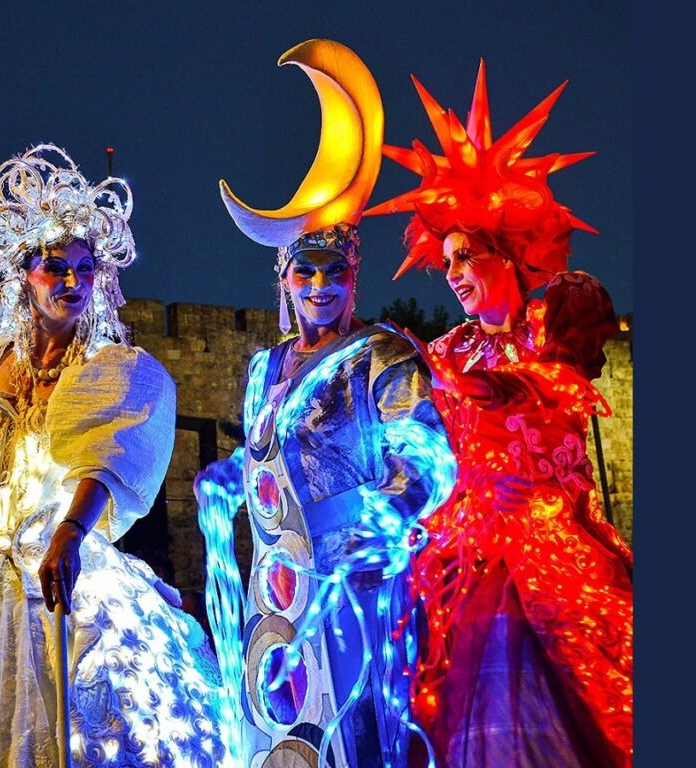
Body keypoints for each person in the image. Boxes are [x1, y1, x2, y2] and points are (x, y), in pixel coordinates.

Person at [0, 143, 225, 767]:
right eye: (55, 267)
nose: (72, 283)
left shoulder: (108, 369)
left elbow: (107, 455)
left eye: (86, 270)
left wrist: (70, 531)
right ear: (21, 272)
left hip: (63, 568)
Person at [195, 39, 456, 768]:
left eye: (332, 271)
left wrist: (384, 520)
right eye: (304, 271)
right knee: (283, 732)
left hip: (355, 582)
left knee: (359, 732)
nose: (318, 287)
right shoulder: (263, 368)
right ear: (283, 278)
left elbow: (428, 459)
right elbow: (265, 464)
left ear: (353, 273)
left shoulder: (383, 354)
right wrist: (226, 486)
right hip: (275, 587)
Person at [365, 60, 633, 768]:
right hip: (467, 549)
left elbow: (558, 403)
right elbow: (428, 452)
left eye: (465, 256)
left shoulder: (560, 315)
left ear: (508, 252)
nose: (452, 273)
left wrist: (494, 397)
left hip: (550, 547)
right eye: (445, 260)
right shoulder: (450, 348)